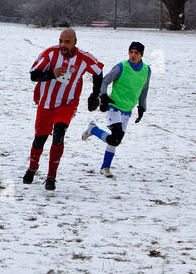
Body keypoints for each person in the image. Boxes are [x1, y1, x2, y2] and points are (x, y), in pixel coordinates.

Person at [25, 27, 102, 190]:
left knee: (59, 133)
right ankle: (32, 167)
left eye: (67, 42)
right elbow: (33, 75)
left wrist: (95, 95)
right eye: (61, 41)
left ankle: (51, 176)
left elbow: (98, 71)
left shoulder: (83, 58)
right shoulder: (50, 54)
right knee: (40, 138)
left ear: (75, 43)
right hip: (46, 103)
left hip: (67, 103)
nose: (63, 45)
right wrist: (52, 74)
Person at [82, 41, 151, 177]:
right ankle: (94, 131)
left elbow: (144, 89)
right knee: (116, 138)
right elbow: (105, 80)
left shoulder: (146, 71)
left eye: (136, 53)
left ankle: (104, 166)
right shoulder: (121, 67)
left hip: (127, 110)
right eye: (131, 52)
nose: (133, 55)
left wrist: (142, 107)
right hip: (114, 106)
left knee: (115, 140)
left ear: (141, 55)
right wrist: (103, 96)